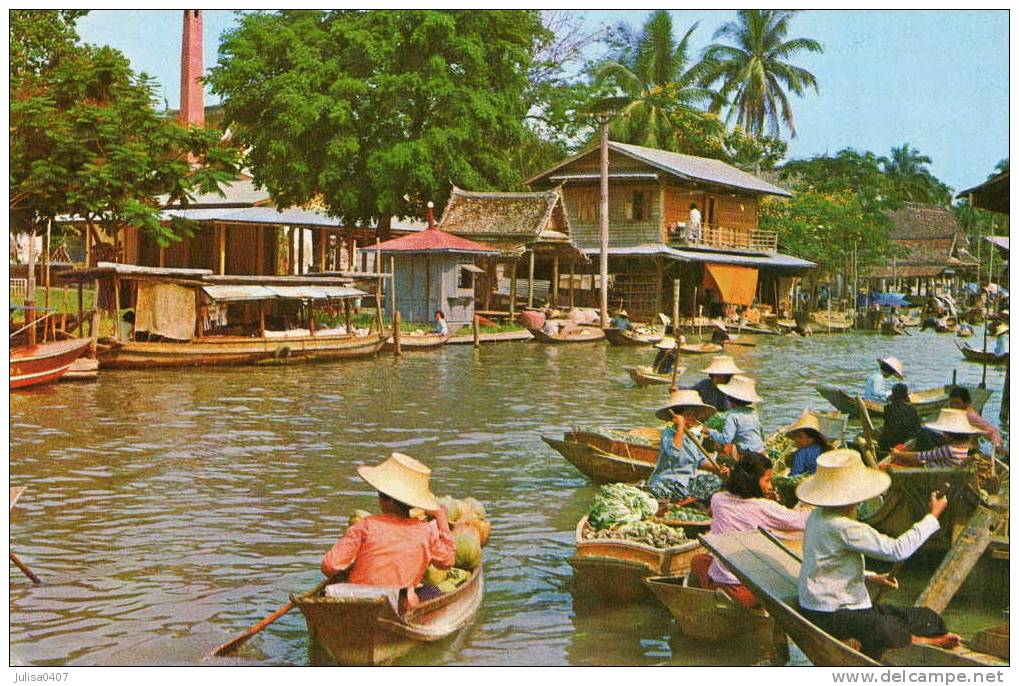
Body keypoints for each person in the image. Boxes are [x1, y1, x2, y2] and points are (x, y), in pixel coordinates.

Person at [796, 449, 959, 660]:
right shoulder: (843, 526)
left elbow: (827, 562)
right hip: (829, 611)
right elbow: (897, 550)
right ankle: (921, 642)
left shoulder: (817, 515)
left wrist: (871, 576)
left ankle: (913, 636)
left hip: (833, 605)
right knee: (884, 627)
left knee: (927, 618)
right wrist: (933, 515)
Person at [321, 452, 455, 609]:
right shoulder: (427, 532)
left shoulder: (365, 525)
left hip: (355, 600)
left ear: (389, 500)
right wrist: (440, 517)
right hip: (397, 603)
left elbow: (329, 566)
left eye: (380, 495)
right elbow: (447, 561)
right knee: (433, 590)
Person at [692, 452, 809, 608]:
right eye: (767, 481)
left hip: (720, 581)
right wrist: (810, 502)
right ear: (753, 481)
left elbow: (734, 509)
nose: (770, 486)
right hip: (744, 591)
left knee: (698, 560)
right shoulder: (763, 507)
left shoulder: (717, 498)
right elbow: (802, 521)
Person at [646, 390, 727, 503]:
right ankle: (685, 500)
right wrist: (680, 428)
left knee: (716, 481)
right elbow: (674, 453)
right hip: (668, 481)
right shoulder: (668, 434)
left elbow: (701, 460)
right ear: (678, 416)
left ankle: (687, 501)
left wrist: (718, 468)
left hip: (688, 481)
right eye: (688, 414)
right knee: (660, 491)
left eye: (695, 414)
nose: (693, 418)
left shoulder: (692, 437)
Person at [887, 409, 983, 469]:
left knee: (898, 463)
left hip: (931, 478)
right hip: (942, 472)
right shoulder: (963, 449)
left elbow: (921, 456)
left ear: (950, 435)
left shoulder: (949, 450)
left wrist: (898, 454)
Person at [708, 375, 766, 456]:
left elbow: (726, 439)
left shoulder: (732, 416)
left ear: (731, 400)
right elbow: (760, 432)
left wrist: (710, 432)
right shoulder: (753, 412)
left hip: (748, 453)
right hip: (760, 450)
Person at [948, 386, 1004, 454]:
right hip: (953, 447)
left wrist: (997, 444)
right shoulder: (952, 413)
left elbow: (993, 432)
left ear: (967, 403)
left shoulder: (971, 416)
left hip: (968, 451)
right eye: (951, 403)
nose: (953, 406)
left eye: (957, 403)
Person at [784, 411, 833, 477]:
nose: (796, 439)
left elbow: (795, 474)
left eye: (800, 437)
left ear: (810, 439)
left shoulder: (802, 453)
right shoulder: (823, 447)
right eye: (795, 437)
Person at [877, 383, 924, 452]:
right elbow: (917, 429)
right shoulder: (912, 409)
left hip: (888, 443)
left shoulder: (887, 408)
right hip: (903, 442)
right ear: (905, 394)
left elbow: (888, 424)